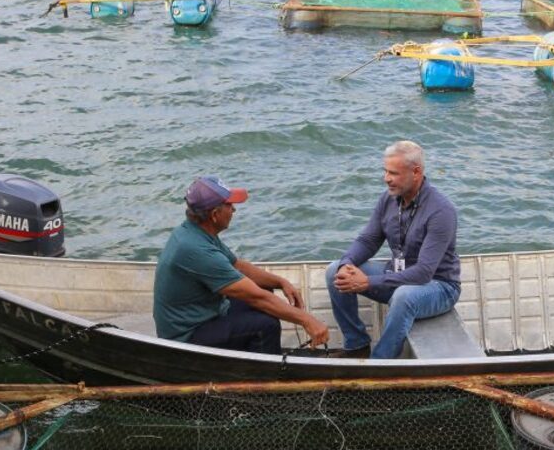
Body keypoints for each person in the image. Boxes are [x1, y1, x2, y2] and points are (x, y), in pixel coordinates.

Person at [154, 174, 329, 353]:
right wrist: (308, 320)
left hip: (207, 312)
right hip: (187, 335)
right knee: (265, 326)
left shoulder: (197, 231)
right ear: (215, 215)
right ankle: (263, 376)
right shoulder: (196, 250)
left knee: (265, 289)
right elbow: (256, 298)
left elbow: (237, 265)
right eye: (229, 205)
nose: (234, 210)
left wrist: (280, 282)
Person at [325, 141, 460, 359]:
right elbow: (368, 240)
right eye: (385, 171)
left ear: (416, 172)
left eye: (394, 173)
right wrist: (346, 264)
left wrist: (368, 282)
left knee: (404, 296)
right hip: (397, 275)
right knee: (334, 271)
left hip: (438, 286)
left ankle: (380, 364)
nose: (386, 178)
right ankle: (356, 345)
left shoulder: (441, 211)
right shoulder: (388, 199)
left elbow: (424, 272)